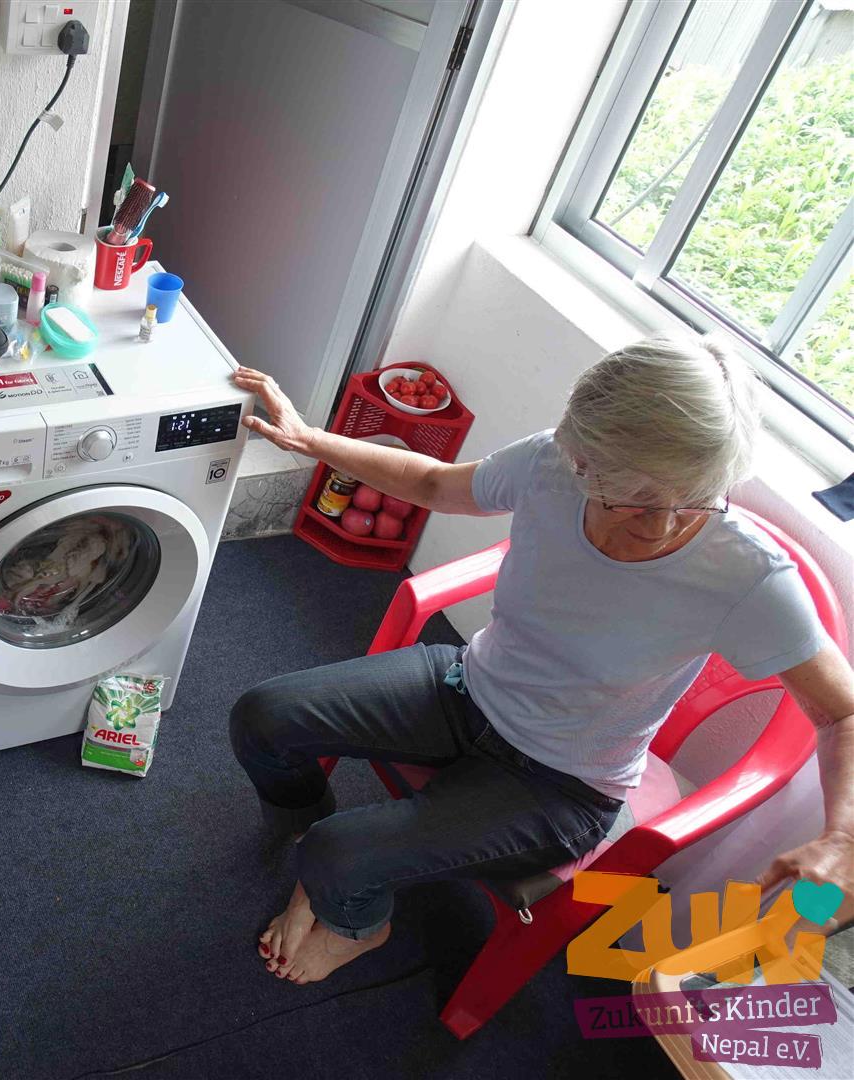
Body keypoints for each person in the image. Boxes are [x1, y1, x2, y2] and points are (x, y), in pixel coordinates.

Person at [229, 338, 854, 985]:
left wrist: (843, 838)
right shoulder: (548, 465)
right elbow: (434, 483)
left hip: (562, 785)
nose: (661, 526)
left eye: (693, 500)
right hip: (468, 688)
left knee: (340, 853)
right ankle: (316, 861)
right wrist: (309, 439)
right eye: (634, 499)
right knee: (263, 718)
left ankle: (355, 920)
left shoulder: (747, 575)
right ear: (583, 461)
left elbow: (842, 714)